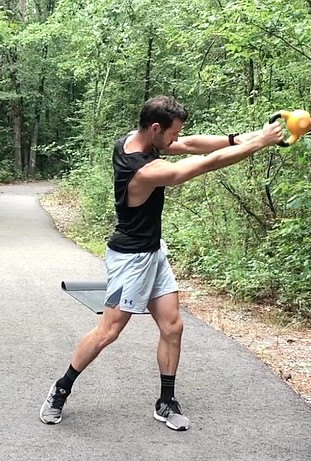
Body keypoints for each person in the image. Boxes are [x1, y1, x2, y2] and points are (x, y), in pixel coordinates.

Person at [40, 96, 284, 431]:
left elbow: (188, 145)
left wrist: (236, 138)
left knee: (173, 327)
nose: (174, 140)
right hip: (130, 260)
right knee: (109, 331)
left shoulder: (134, 138)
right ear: (155, 129)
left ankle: (166, 401)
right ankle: (60, 389)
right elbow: (202, 164)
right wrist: (259, 143)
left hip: (153, 253)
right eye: (170, 133)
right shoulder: (143, 170)